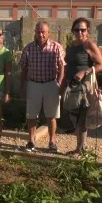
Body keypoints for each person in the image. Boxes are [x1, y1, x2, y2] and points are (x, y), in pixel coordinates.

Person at [19, 21, 66, 152]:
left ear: (48, 33)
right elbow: (24, 68)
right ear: (35, 32)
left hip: (51, 84)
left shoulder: (56, 47)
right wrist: (22, 86)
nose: (40, 34)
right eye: (38, 32)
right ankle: (32, 141)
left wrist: (59, 83)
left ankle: (52, 142)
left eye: (43, 32)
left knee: (51, 115)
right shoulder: (28, 48)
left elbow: (62, 66)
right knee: (31, 115)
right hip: (33, 84)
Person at [62, 17, 102, 159]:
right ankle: (80, 147)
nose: (79, 32)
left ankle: (80, 150)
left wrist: (85, 72)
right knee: (74, 115)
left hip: (84, 86)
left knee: (81, 116)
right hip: (72, 85)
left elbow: (101, 65)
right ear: (73, 31)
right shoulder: (72, 45)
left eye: (83, 30)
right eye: (77, 29)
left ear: (87, 31)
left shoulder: (89, 44)